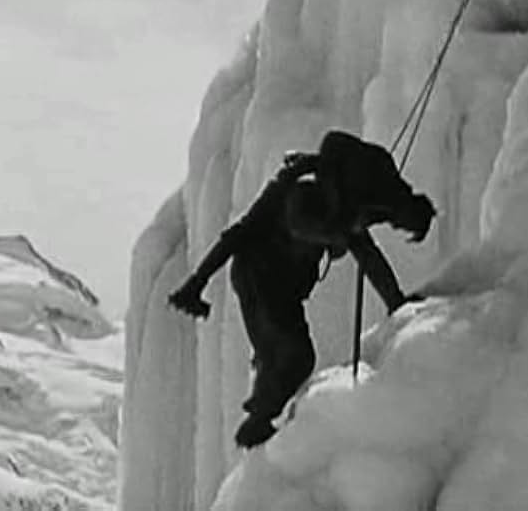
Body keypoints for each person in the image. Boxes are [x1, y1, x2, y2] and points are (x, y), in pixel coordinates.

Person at [168, 130, 435, 448]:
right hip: (258, 275)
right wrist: (197, 283)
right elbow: (242, 235)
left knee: (288, 355)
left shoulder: (355, 197)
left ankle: (260, 418)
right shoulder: (295, 193)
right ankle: (258, 423)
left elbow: (370, 248)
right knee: (292, 355)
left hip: (287, 284)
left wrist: (396, 302)